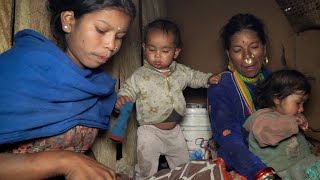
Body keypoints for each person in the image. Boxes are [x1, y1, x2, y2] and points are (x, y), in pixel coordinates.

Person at [0, 0, 136, 179]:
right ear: (69, 20)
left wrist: (103, 174)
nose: (112, 45)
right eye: (101, 30)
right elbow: (71, 160)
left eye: (119, 36)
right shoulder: (18, 68)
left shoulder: (97, 87)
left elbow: (77, 154)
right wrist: (66, 162)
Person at [114, 18, 221, 180]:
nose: (157, 56)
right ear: (144, 48)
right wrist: (123, 98)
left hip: (174, 132)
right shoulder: (141, 75)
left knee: (184, 167)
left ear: (176, 52)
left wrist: (208, 79)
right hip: (149, 132)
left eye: (165, 51)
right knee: (146, 168)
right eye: (151, 49)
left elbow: (194, 77)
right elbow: (128, 88)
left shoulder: (181, 71)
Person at [207, 13, 280, 179]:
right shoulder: (221, 86)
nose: (247, 57)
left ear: (264, 48)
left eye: (254, 47)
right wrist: (263, 174)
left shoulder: (274, 81)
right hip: (245, 163)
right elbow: (230, 142)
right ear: (228, 54)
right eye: (238, 50)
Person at [244, 69, 320, 179]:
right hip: (282, 171)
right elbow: (265, 134)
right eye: (298, 103)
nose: (302, 109)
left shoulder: (288, 117)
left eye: (304, 103)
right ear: (276, 99)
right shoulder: (263, 118)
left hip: (301, 163)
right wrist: (293, 121)